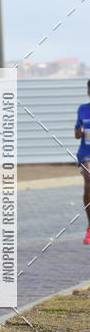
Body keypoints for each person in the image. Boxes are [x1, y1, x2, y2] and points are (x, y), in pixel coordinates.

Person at [74, 78, 90, 245]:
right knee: (88, 182)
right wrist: (80, 130)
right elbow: (77, 135)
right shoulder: (83, 109)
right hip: (86, 154)